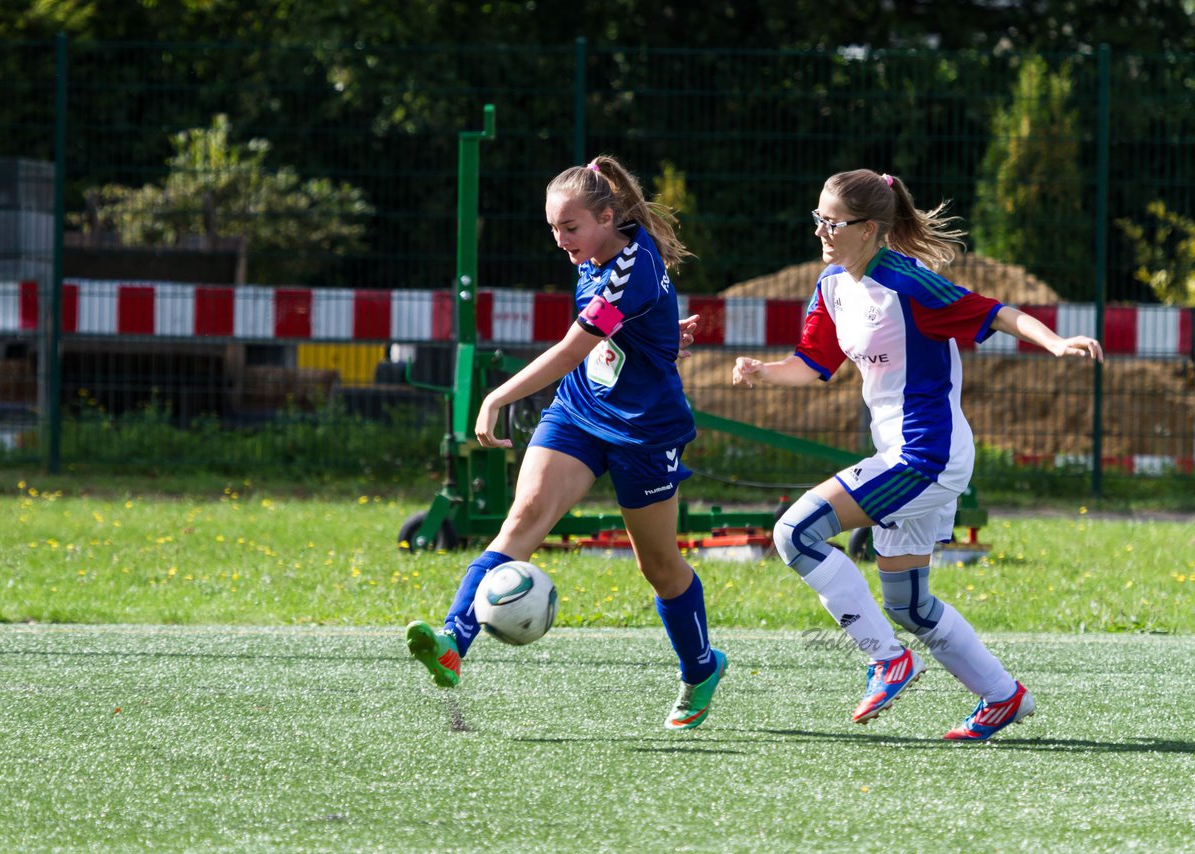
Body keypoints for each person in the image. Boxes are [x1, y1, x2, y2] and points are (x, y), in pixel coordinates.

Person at [733, 169, 1104, 741]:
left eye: (834, 222)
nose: (822, 231)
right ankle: (1002, 697)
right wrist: (762, 372)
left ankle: (887, 661)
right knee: (910, 605)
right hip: (906, 456)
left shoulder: (908, 284)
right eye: (818, 219)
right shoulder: (833, 286)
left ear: (872, 229)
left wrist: (1056, 342)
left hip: (925, 457)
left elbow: (996, 312)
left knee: (794, 533)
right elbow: (811, 365)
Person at [405, 155, 727, 730]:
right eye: (553, 228)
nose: (560, 241)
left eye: (570, 228)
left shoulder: (632, 266)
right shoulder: (597, 250)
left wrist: (495, 396)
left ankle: (701, 667)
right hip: (580, 409)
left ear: (607, 217)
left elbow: (573, 347)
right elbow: (611, 332)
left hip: (643, 430)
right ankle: (454, 640)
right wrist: (658, 331)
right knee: (521, 521)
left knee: (659, 567)